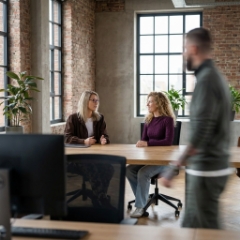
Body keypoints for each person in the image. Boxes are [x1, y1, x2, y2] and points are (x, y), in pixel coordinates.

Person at [161, 27, 232, 229]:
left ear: (193, 49)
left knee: (202, 230)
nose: (184, 54)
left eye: (185, 48)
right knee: (197, 227)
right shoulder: (215, 77)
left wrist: (173, 167)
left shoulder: (207, 80)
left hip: (206, 170)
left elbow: (201, 132)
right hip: (211, 168)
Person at [126, 91, 175, 218]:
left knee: (143, 172)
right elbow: (144, 140)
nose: (147, 104)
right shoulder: (149, 120)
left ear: (159, 103)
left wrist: (147, 144)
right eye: (147, 101)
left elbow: (168, 142)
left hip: (164, 161)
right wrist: (142, 143)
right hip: (149, 158)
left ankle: (140, 207)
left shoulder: (168, 120)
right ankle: (143, 199)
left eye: (150, 101)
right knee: (129, 170)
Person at [64, 90, 114, 207]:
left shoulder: (99, 118)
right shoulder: (73, 118)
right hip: (76, 159)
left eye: (97, 100)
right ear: (85, 101)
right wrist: (84, 141)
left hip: (93, 156)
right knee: (91, 166)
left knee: (109, 168)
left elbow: (105, 135)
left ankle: (98, 196)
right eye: (93, 100)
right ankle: (102, 199)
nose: (96, 103)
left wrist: (104, 139)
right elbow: (66, 138)